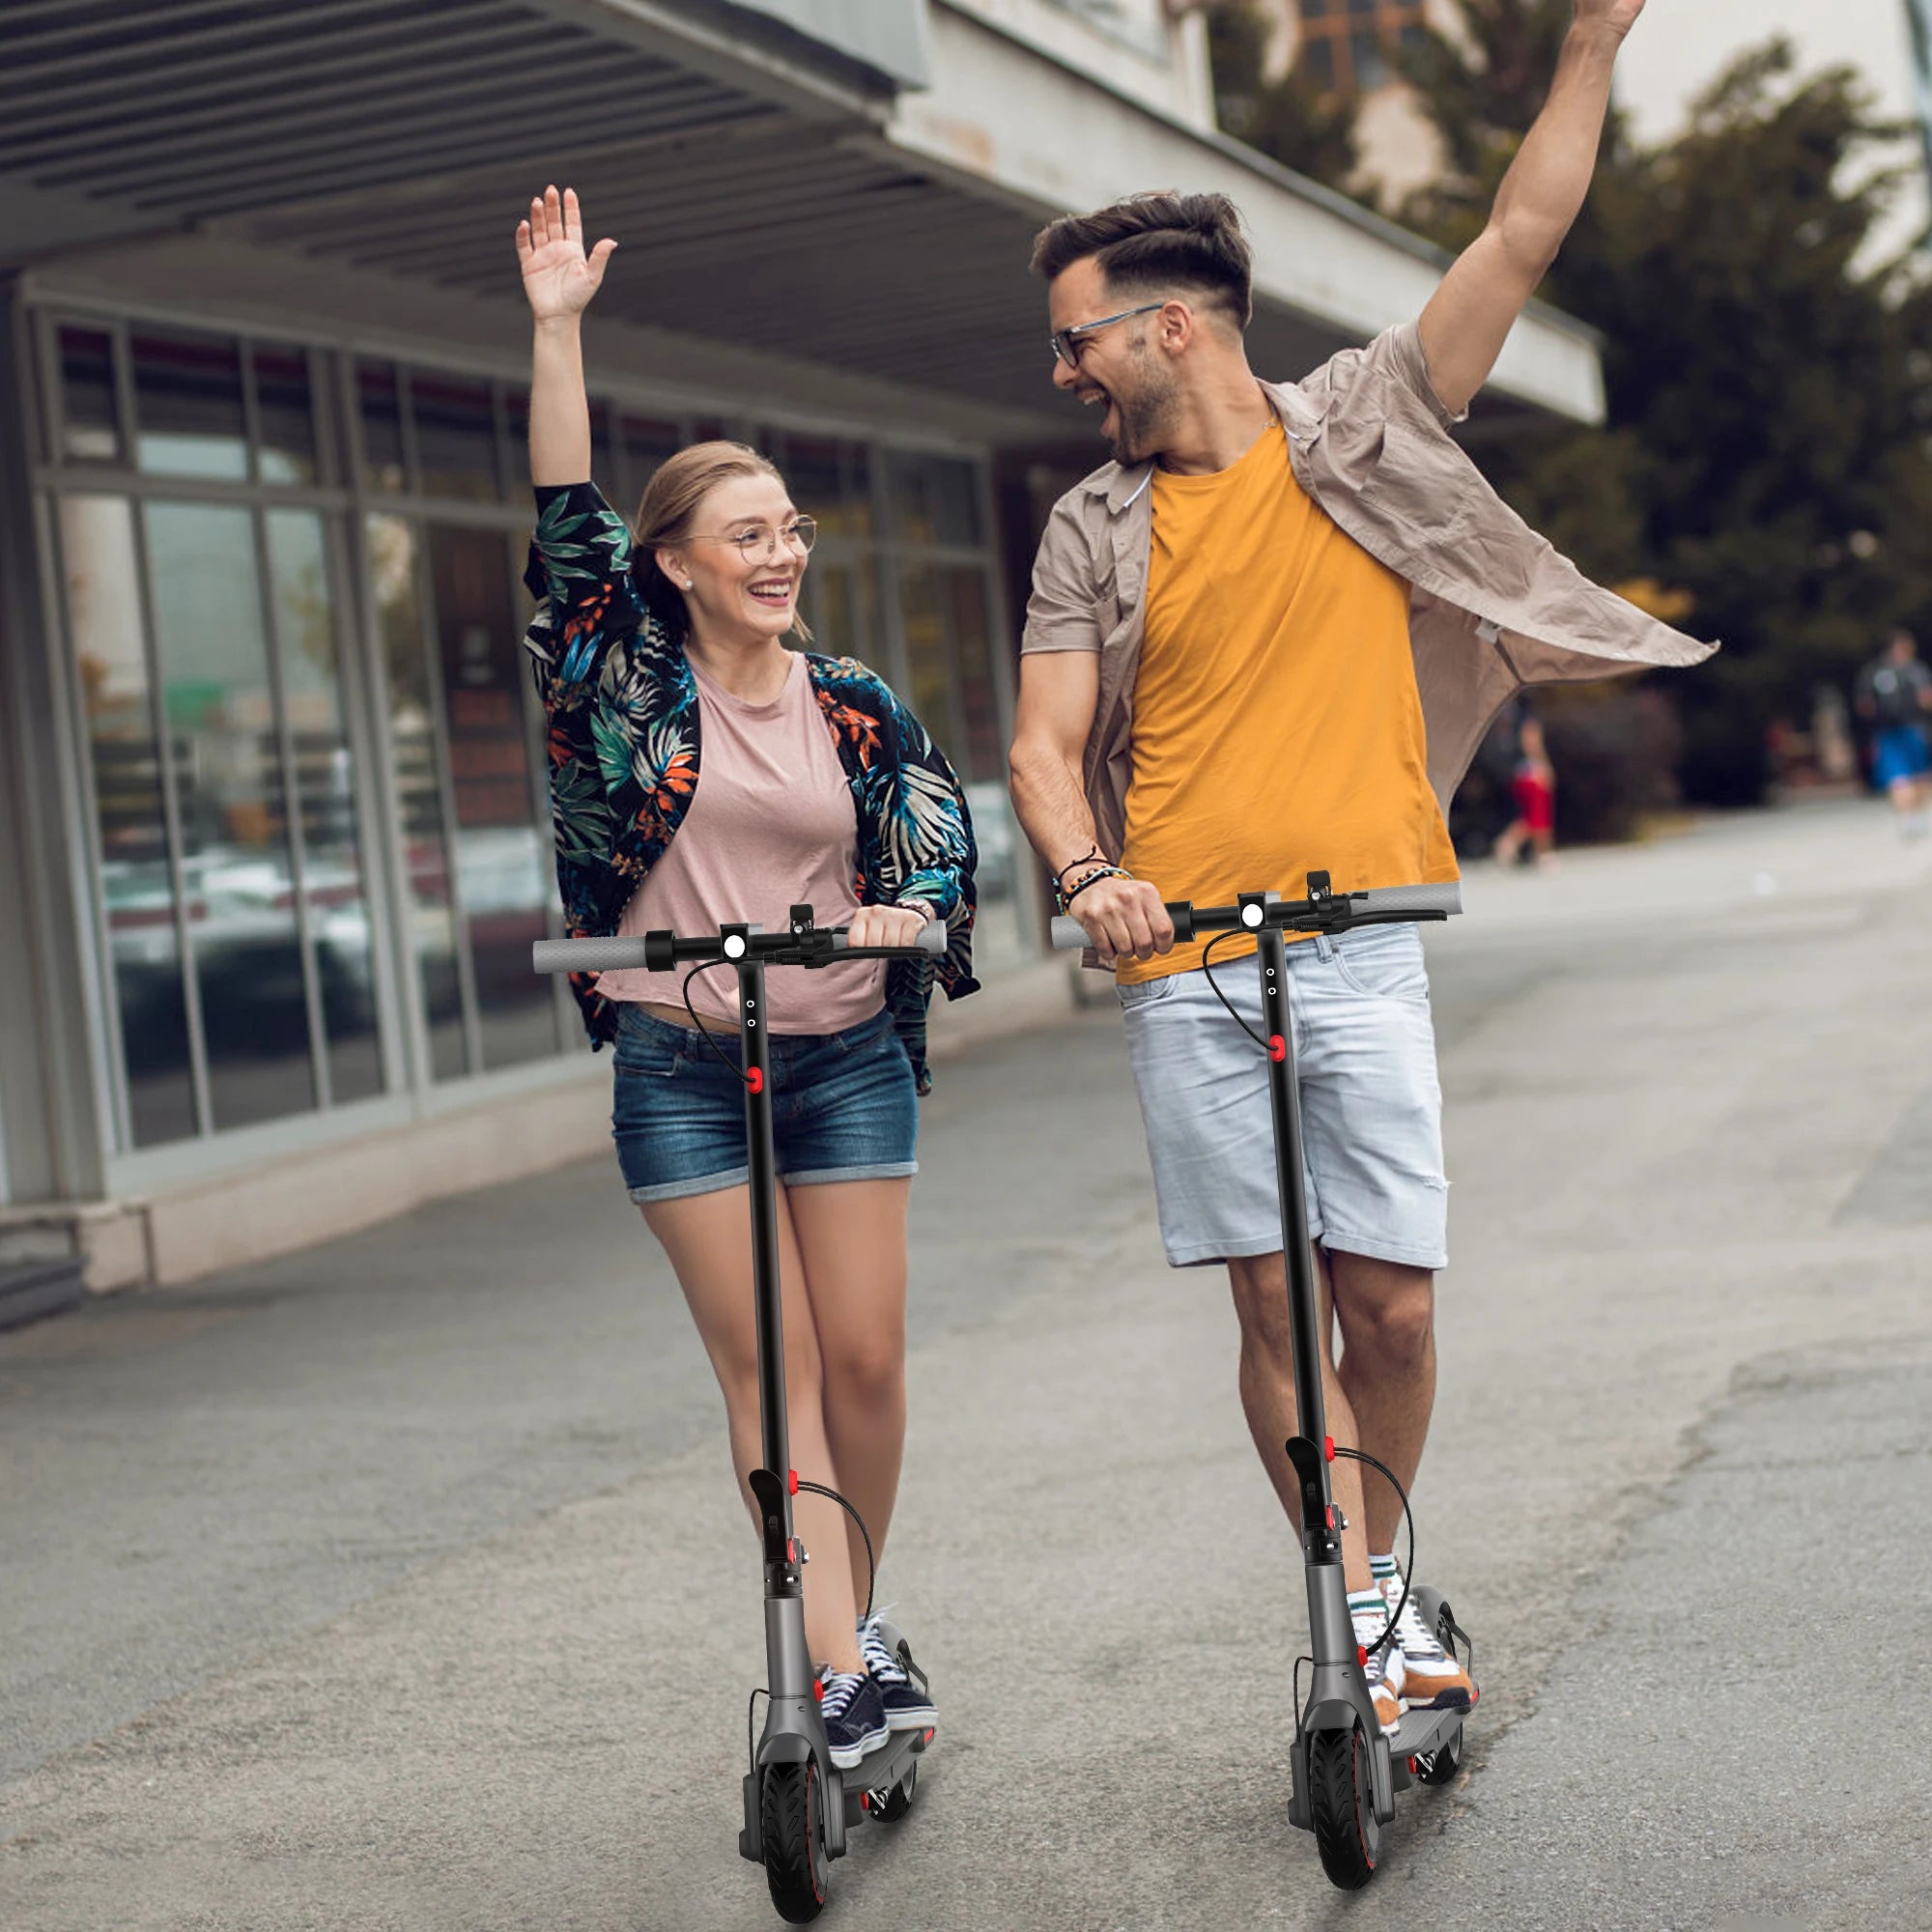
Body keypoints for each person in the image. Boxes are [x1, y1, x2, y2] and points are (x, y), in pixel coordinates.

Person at [1008, 0, 1713, 1736]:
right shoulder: (1091, 527)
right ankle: (1357, 1599)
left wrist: (1589, 48)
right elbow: (1039, 744)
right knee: (1269, 1302)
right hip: (1186, 960)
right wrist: (1091, 869)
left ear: (1171, 328)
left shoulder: (1367, 423)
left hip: (1361, 938)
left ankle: (1382, 1584)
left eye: (1076, 342)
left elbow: (1519, 235)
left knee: (1383, 1311)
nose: (1060, 373)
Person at [515, 186, 978, 1770]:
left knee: (860, 1360)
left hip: (843, 1048)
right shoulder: (617, 678)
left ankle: (858, 1608)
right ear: (677, 566)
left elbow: (929, 824)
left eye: (792, 529)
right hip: (678, 1059)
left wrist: (910, 911)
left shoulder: (849, 702)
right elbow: (565, 519)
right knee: (766, 1369)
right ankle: (838, 1664)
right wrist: (557, 328)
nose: (782, 553)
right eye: (749, 534)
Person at [1853, 627, 1932, 838]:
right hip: (1907, 730)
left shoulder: (1872, 671)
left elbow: (1864, 706)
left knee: (1907, 777)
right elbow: (1926, 700)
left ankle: (1910, 817)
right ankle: (1913, 816)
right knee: (1909, 776)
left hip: (1893, 731)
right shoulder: (1916, 670)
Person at [1492, 714, 1557, 867]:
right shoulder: (1528, 723)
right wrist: (1543, 767)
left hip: (1522, 774)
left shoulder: (1515, 721)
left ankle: (1510, 844)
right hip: (1531, 774)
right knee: (1539, 816)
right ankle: (1542, 853)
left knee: (1531, 817)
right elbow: (1533, 746)